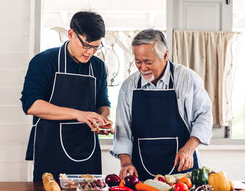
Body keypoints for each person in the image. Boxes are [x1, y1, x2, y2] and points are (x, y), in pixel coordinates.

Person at [110, 29, 213, 181]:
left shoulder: (187, 79)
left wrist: (189, 149)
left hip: (183, 172)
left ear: (164, 55)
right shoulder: (128, 87)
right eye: (138, 62)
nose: (143, 68)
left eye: (148, 62)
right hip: (141, 175)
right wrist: (126, 163)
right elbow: (123, 131)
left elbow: (204, 116)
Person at [21, 11, 112, 181]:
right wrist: (78, 114)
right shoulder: (44, 61)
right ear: (71, 34)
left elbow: (103, 103)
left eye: (95, 47)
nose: (90, 52)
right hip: (51, 150)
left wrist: (102, 120)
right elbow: (31, 104)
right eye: (86, 45)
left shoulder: (98, 67)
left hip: (87, 151)